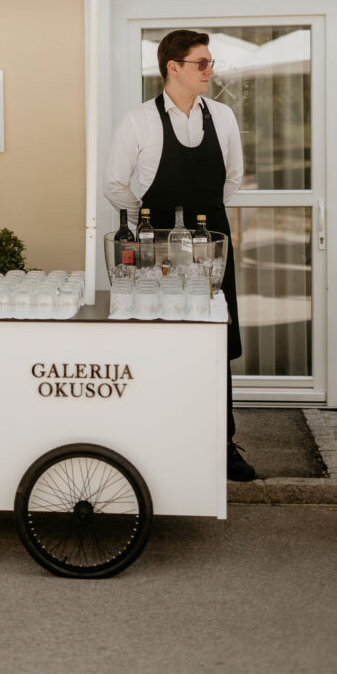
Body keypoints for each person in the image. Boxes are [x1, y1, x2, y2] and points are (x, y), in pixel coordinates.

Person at [103, 29, 256, 482]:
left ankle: (222, 443)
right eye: (201, 63)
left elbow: (233, 179)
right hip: (156, 242)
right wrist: (148, 220)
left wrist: (202, 220)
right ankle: (157, 438)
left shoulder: (223, 117)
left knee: (215, 336)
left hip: (212, 242)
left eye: (210, 63)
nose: (210, 71)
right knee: (158, 334)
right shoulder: (138, 121)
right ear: (174, 67)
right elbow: (115, 184)